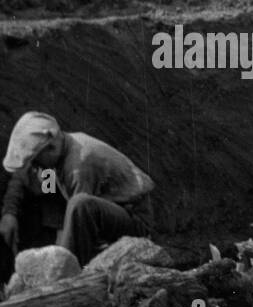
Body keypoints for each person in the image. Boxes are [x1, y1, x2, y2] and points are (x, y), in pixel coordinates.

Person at [0, 111, 155, 268]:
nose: (34, 167)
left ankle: (62, 273)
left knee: (80, 204)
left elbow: (80, 220)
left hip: (134, 221)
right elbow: (26, 179)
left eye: (36, 162)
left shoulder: (79, 167)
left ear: (51, 148)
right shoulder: (56, 151)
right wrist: (9, 213)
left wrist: (59, 266)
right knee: (48, 194)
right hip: (101, 213)